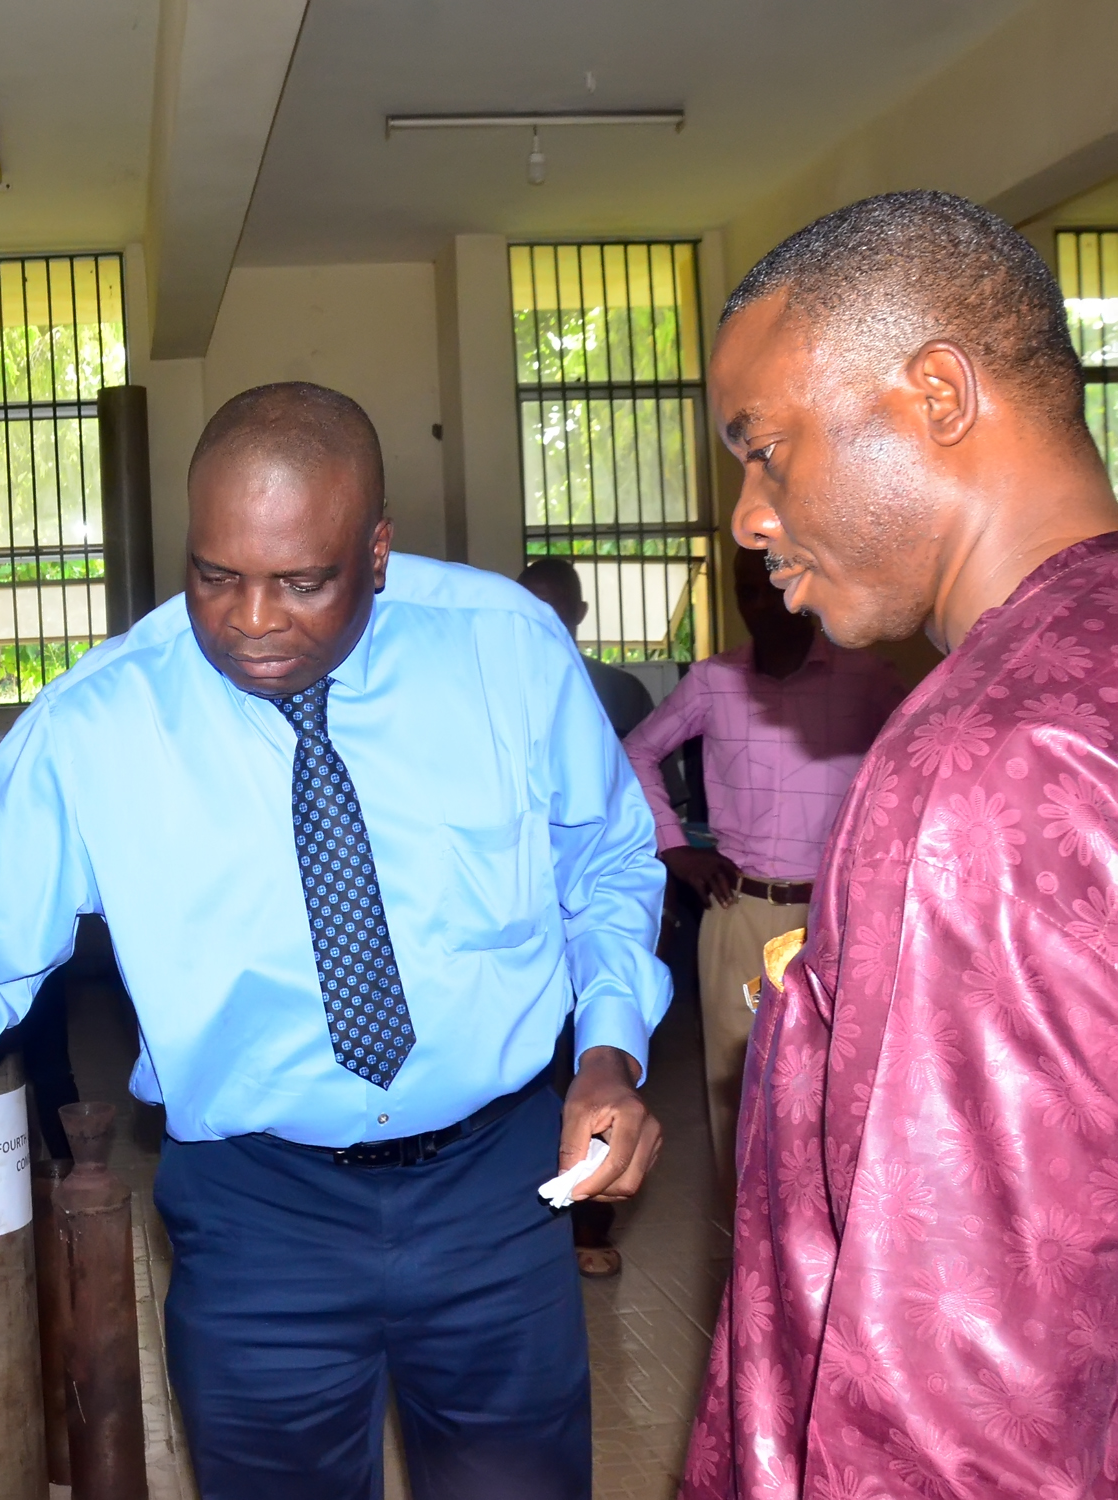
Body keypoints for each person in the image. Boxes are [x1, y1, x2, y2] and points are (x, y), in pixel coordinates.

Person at [0, 383, 671, 1497]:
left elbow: (607, 861)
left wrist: (607, 1054)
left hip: (501, 1188)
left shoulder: (506, 655)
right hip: (260, 1216)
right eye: (215, 575)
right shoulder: (100, 722)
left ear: (376, 551)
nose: (252, 620)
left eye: (304, 581)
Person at [682, 192, 1118, 1497]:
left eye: (765, 448)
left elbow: (963, 1407)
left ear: (937, 393)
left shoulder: (985, 766)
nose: (750, 518)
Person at [621, 547, 901, 1187]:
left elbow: (915, 761)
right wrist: (674, 846)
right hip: (739, 913)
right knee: (738, 1082)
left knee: (836, 1079)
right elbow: (636, 753)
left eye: (771, 585)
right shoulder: (713, 681)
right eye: (746, 590)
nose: (760, 603)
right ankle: (745, 1237)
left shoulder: (867, 678)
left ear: (802, 583)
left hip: (836, 916)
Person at [518, 556, 655, 1282]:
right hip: (529, 930)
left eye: (555, 609)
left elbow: (631, 799)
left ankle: (592, 1219)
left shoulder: (618, 692)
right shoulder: (494, 690)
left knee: (601, 1069)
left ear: (579, 614)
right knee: (538, 1085)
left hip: (593, 911)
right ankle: (544, 1220)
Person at [518, 557, 655, 739]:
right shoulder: (493, 689)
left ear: (580, 612)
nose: (537, 616)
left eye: (550, 605)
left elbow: (650, 764)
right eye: (526, 606)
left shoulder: (624, 693)